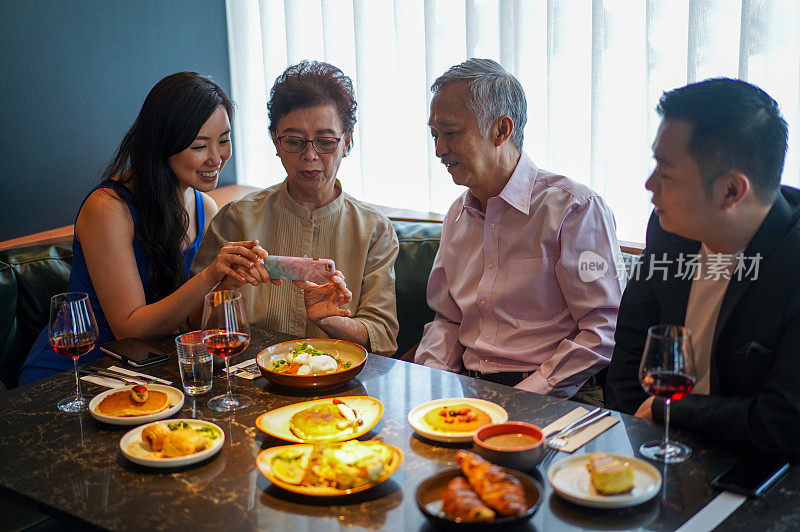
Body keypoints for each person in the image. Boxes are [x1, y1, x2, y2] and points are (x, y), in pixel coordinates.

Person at [20, 72, 264, 383]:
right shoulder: (109, 207)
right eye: (200, 146)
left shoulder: (206, 208)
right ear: (163, 144)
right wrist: (210, 275)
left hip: (149, 372)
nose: (217, 158)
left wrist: (228, 284)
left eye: (224, 140)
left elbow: (187, 321)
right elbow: (129, 328)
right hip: (76, 372)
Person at [605, 78, 800, 460]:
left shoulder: (791, 262)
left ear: (732, 191)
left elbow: (785, 422)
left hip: (760, 471)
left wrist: (672, 409)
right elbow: (629, 352)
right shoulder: (670, 229)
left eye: (666, 172)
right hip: (656, 449)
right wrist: (639, 440)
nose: (649, 184)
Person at [414, 59, 623, 404]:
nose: (439, 150)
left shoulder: (574, 209)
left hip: (556, 395)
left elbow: (604, 329)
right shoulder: (457, 215)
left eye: (450, 133)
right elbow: (448, 320)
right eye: (435, 135)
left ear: (501, 130)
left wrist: (526, 397)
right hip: (469, 392)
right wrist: (432, 388)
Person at [191, 61, 399, 356]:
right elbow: (192, 325)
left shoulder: (374, 229)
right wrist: (220, 286)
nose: (310, 155)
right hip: (249, 374)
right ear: (275, 141)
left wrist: (329, 319)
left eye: (326, 142)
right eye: (294, 141)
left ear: (347, 141)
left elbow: (383, 337)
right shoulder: (236, 219)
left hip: (336, 379)